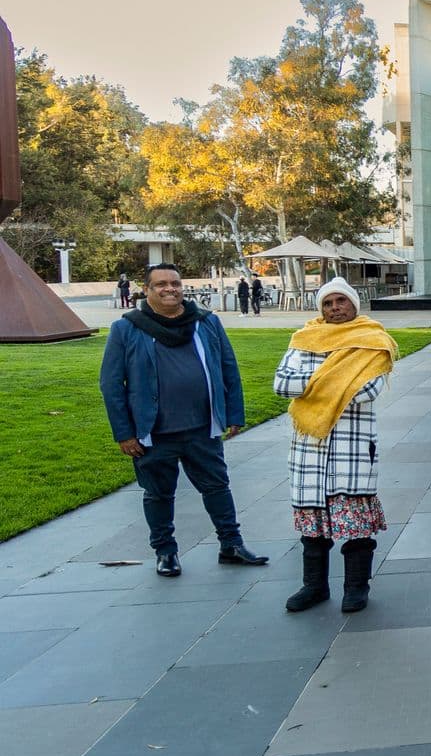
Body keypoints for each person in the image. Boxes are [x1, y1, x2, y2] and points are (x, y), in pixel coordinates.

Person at [98, 263, 269, 577]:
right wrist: (124, 433)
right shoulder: (128, 328)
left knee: (218, 487)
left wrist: (233, 413)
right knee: (159, 494)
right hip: (153, 432)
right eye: (161, 284)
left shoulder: (205, 322)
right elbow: (111, 384)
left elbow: (228, 368)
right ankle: (165, 552)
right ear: (146, 290)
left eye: (175, 283)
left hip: (202, 428)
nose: (170, 289)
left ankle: (231, 544)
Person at [274, 278, 397, 614]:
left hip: (351, 446)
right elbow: (282, 383)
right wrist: (338, 379)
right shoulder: (303, 339)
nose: (334, 309)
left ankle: (356, 587)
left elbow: (365, 391)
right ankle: (314, 586)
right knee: (312, 525)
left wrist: (313, 384)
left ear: (354, 304)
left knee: (356, 522)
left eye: (341, 301)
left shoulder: (372, 340)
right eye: (328, 303)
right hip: (310, 446)